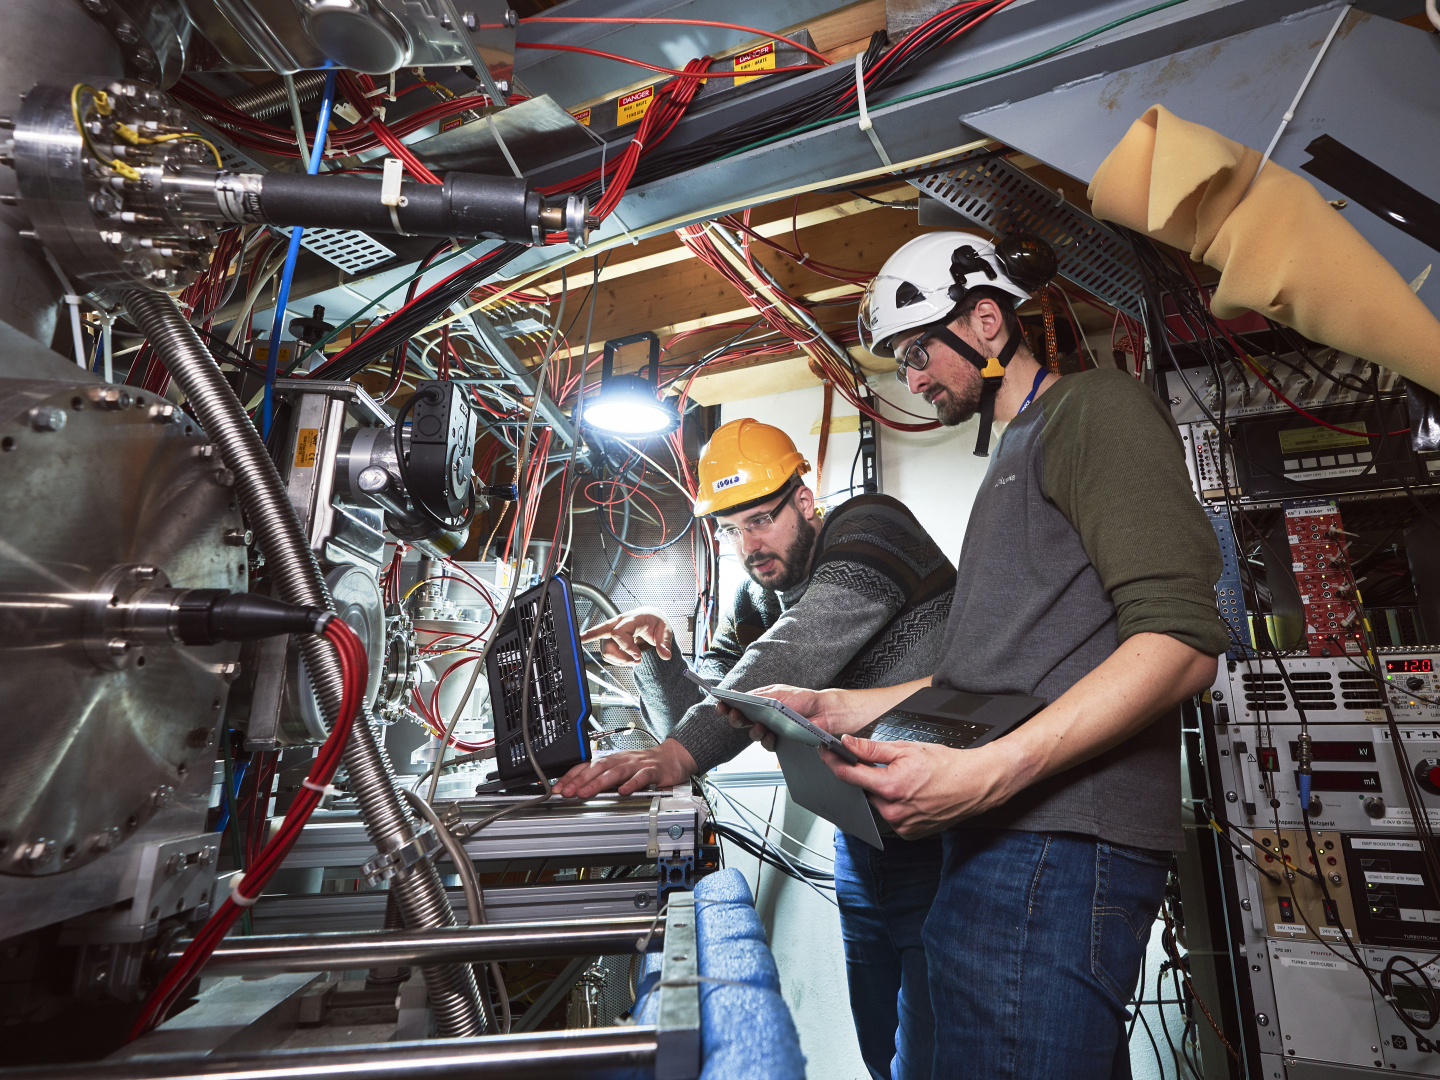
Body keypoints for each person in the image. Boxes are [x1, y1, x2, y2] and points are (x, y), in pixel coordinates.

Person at [737, 232, 1228, 1080]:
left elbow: (1180, 643)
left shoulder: (1094, 409)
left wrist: (992, 771)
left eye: (919, 351)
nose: (913, 378)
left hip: (1056, 841)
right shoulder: (1015, 455)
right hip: (1008, 836)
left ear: (989, 320)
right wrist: (847, 707)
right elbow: (997, 666)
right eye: (901, 360)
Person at [556, 418, 956, 1080]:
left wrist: (679, 753)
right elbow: (709, 703)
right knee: (881, 1051)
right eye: (735, 529)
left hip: (943, 839)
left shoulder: (870, 528)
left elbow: (790, 650)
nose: (751, 543)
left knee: (933, 1061)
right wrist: (658, 660)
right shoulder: (759, 596)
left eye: (762, 519)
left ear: (805, 502)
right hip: (865, 847)